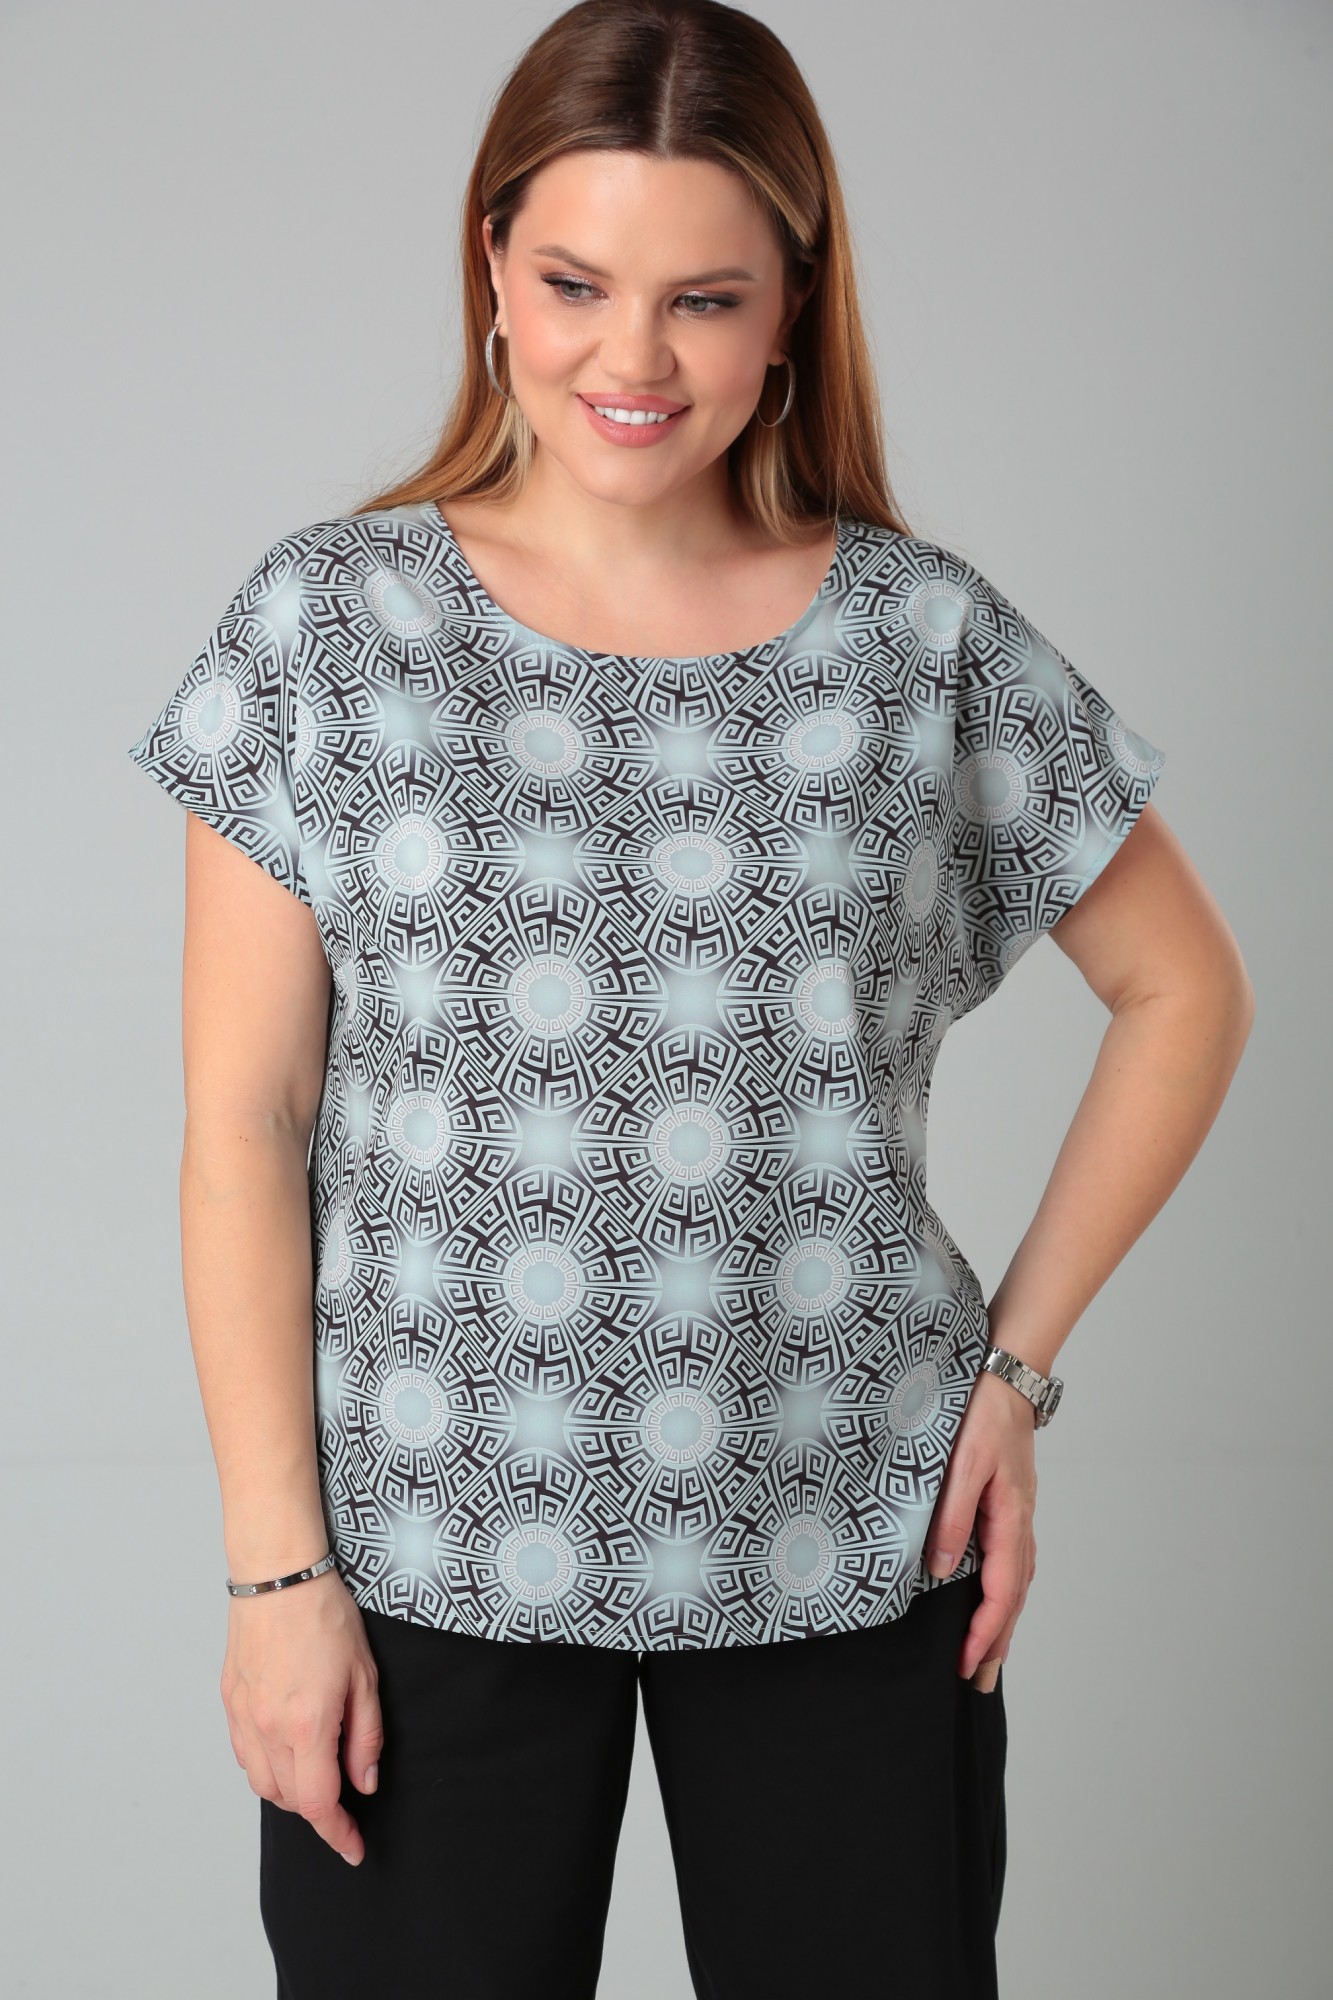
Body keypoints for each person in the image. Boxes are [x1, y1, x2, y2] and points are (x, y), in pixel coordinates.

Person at [124, 2, 1253, 1995]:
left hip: (850, 1517)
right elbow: (245, 1125)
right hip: (423, 1541)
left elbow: (1186, 992)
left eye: (702, 300)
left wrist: (1014, 1374)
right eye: (575, 283)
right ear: (491, 265)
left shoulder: (919, 639)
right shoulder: (327, 627)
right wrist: (274, 1569)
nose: (629, 360)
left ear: (791, 307)